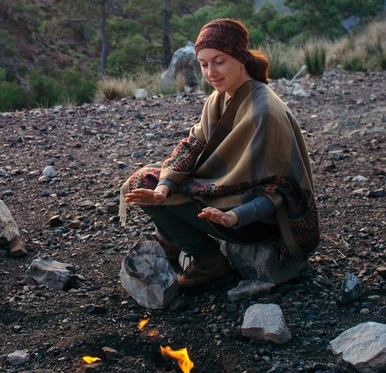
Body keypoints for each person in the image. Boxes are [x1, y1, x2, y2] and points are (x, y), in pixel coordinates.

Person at [121, 18, 319, 293]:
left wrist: (234, 217)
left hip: (255, 221)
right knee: (149, 181)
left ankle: (208, 262)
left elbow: (278, 191)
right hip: (228, 201)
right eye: (203, 64)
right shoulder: (220, 97)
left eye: (219, 61)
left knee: (145, 183)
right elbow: (193, 145)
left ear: (239, 58)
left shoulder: (264, 114)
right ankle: (173, 237)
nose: (211, 72)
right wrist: (164, 189)